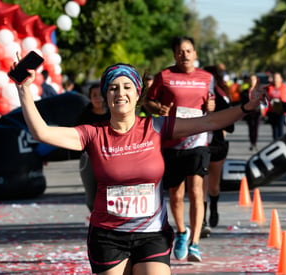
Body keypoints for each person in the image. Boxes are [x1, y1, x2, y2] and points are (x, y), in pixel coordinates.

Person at [15, 62, 263, 274]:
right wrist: (24, 90)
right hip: (108, 236)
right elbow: (42, 132)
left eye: (126, 87)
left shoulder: (156, 127)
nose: (119, 93)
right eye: (112, 88)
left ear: (137, 93)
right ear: (105, 95)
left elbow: (208, 121)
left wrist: (246, 108)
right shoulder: (92, 134)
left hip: (152, 234)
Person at [143, 36, 215, 262]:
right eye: (180, 52)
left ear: (195, 53)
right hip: (172, 142)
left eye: (188, 51)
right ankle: (182, 232)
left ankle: (195, 243)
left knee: (195, 189)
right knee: (176, 194)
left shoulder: (207, 77)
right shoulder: (165, 76)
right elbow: (148, 102)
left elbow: (212, 103)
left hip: (198, 141)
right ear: (175, 55)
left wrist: (211, 106)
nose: (184, 55)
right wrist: (159, 108)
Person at [200, 65, 235, 238]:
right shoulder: (194, 95)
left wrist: (214, 117)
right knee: (201, 185)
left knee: (213, 186)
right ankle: (202, 220)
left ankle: (213, 207)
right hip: (198, 144)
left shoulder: (221, 97)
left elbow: (231, 126)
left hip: (217, 144)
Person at [77, 83, 110, 212]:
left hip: (111, 157)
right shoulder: (84, 116)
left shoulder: (113, 114)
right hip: (90, 158)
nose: (98, 98)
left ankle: (110, 223)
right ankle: (95, 218)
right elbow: (77, 135)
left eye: (100, 95)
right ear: (90, 98)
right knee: (92, 198)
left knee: (111, 195)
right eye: (94, 95)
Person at [264, 72, 286, 140]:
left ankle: (280, 141)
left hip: (281, 111)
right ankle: (275, 141)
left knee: (280, 127)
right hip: (272, 111)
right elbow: (265, 100)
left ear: (281, 79)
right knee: (274, 128)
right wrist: (264, 110)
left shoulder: (284, 87)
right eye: (274, 78)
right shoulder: (269, 88)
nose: (276, 80)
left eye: (277, 78)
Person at [240, 74, 263, 151]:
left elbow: (264, 101)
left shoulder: (260, 91)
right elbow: (243, 102)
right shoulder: (245, 91)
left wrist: (263, 109)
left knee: (256, 127)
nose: (252, 81)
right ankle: (251, 142)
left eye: (254, 79)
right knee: (250, 128)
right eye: (251, 79)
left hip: (257, 111)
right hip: (249, 112)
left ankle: (254, 143)